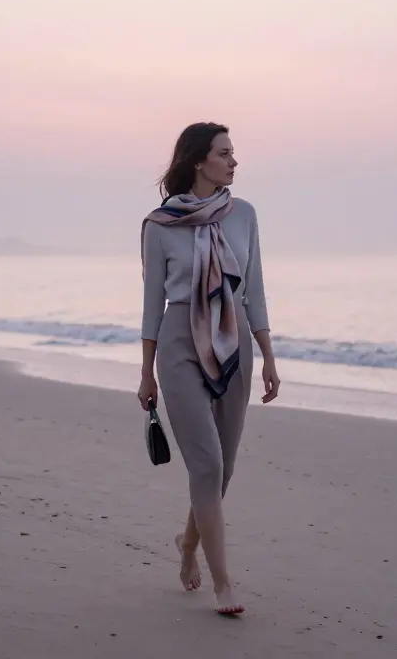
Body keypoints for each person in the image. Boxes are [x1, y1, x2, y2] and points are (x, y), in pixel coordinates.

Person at [138, 122, 280, 616]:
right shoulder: (159, 226)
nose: (234, 162)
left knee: (226, 467)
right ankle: (224, 585)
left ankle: (189, 544)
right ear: (200, 160)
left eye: (234, 153)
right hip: (178, 343)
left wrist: (268, 356)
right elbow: (152, 302)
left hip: (234, 339)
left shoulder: (245, 216)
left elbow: (254, 290)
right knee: (207, 463)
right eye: (225, 153)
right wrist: (145, 372)